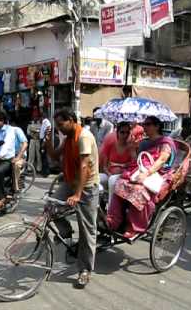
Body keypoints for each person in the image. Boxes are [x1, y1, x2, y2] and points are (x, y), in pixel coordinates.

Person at [45, 108, 100, 289]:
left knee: (87, 231)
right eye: (57, 126)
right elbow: (54, 156)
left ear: (71, 120)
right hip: (70, 180)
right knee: (50, 207)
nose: (59, 128)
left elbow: (85, 166)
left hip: (86, 186)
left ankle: (85, 270)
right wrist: (46, 141)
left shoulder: (83, 136)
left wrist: (78, 194)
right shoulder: (68, 137)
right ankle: (67, 234)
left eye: (61, 124)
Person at [108, 116, 177, 239]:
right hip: (139, 171)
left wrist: (147, 174)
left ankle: (135, 228)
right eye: (144, 124)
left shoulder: (166, 142)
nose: (144, 127)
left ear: (157, 126)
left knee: (138, 191)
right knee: (119, 184)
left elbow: (161, 160)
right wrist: (133, 148)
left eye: (148, 124)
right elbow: (137, 160)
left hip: (157, 174)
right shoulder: (144, 142)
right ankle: (113, 220)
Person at [99, 122, 135, 204]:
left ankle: (111, 210)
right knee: (95, 178)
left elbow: (134, 164)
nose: (125, 135)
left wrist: (132, 150)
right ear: (117, 133)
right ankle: (97, 205)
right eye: (122, 132)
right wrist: (108, 174)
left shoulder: (131, 147)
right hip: (109, 174)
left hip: (123, 176)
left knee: (112, 180)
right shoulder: (110, 145)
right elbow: (104, 167)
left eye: (127, 132)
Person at [11, 122, 28, 193]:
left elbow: (25, 144)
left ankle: (16, 187)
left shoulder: (16, 130)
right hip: (9, 155)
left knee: (16, 165)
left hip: (19, 155)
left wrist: (18, 157)